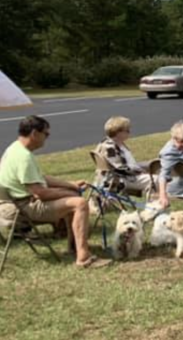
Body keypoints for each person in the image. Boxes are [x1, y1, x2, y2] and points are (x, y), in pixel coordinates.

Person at [0, 115, 106, 268]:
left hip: (12, 204)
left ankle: (73, 247)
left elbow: (39, 178)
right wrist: (69, 193)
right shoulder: (24, 157)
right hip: (20, 209)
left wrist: (71, 185)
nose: (47, 138)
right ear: (34, 133)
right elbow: (40, 193)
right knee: (80, 203)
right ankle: (83, 257)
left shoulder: (14, 148)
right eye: (46, 134)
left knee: (73, 197)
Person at [94, 116, 156, 194]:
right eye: (127, 130)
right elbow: (120, 168)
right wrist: (139, 172)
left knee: (153, 164)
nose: (129, 132)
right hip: (118, 179)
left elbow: (128, 164)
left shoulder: (114, 143)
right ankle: (154, 203)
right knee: (155, 179)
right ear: (118, 132)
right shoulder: (109, 148)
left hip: (122, 174)